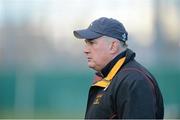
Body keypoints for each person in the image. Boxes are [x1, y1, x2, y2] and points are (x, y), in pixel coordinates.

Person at [73, 17, 164, 119]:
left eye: (92, 43)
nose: (85, 50)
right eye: (86, 43)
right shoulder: (112, 77)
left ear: (113, 46)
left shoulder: (134, 80)